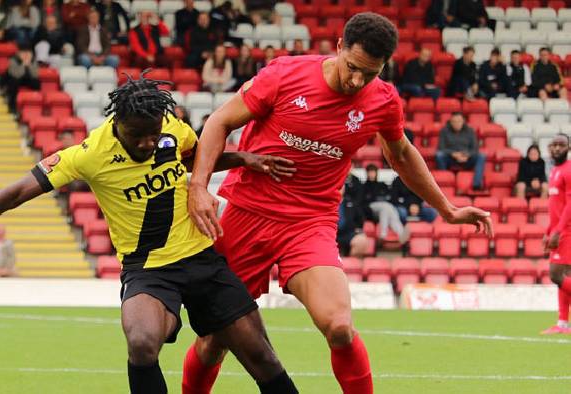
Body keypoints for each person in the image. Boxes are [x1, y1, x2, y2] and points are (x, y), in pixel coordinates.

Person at [0, 73, 299, 394]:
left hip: (202, 258)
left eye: (152, 132)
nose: (147, 141)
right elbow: (20, 190)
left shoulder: (169, 128)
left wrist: (242, 157)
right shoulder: (91, 154)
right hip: (149, 271)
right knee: (141, 341)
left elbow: (197, 158)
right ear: (117, 123)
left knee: (262, 358)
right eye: (136, 134)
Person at [182, 12, 492, 394]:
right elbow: (219, 122)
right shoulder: (284, 75)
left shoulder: (382, 101)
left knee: (340, 326)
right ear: (340, 47)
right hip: (249, 214)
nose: (358, 80)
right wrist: (199, 186)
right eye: (353, 68)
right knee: (215, 341)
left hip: (310, 223)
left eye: (371, 73)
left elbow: (401, 155)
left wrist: (447, 209)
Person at [541, 134, 571, 335]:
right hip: (559, 230)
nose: (557, 148)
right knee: (565, 276)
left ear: (568, 148)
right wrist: (548, 231)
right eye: (554, 145)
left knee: (556, 275)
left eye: (561, 145)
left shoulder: (568, 170)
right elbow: (555, 207)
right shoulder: (554, 171)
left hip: (567, 231)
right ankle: (562, 323)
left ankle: (562, 323)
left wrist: (558, 231)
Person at [436, 112, 486, 190]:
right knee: (439, 155)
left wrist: (466, 155)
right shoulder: (444, 131)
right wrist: (453, 154)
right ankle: (444, 182)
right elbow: (441, 148)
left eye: (459, 121)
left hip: (466, 158)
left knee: (481, 156)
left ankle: (476, 185)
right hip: (451, 158)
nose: (457, 123)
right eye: (454, 121)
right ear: (451, 122)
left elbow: (475, 149)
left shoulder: (470, 131)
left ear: (463, 121)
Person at [362, 164, 410, 244]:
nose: (371, 174)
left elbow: (389, 197)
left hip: (384, 208)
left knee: (387, 208)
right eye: (370, 172)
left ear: (376, 173)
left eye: (373, 172)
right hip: (371, 208)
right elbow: (364, 201)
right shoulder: (364, 186)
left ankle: (385, 235)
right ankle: (400, 232)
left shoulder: (382, 184)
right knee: (388, 206)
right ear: (367, 173)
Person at [2, 41, 40, 111]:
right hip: (15, 78)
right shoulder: (13, 60)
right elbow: (16, 74)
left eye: (28, 53)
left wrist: (29, 65)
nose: (26, 55)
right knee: (14, 82)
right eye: (23, 53)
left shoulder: (33, 61)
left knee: (37, 82)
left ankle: (35, 104)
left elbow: (35, 75)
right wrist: (23, 65)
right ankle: (12, 105)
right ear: (18, 53)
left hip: (27, 79)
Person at [338, 175, 369, 257]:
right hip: (329, 234)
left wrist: (358, 228)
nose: (339, 189)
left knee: (361, 240)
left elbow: (360, 218)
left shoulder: (351, 202)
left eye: (341, 186)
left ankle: (350, 264)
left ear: (344, 188)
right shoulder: (325, 203)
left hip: (348, 233)